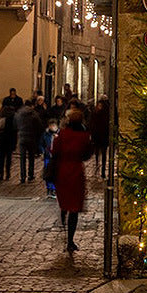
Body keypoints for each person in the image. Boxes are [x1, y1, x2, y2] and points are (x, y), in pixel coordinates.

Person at [52, 107, 92, 251]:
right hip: (76, 172)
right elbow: (87, 154)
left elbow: (54, 150)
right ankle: (70, 240)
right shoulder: (84, 136)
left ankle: (63, 212)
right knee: (74, 207)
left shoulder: (62, 134)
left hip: (62, 172)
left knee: (65, 201)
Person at [14, 99, 43, 183]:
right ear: (31, 106)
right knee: (31, 157)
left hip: (22, 137)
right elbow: (39, 126)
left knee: (22, 158)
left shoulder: (18, 114)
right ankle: (30, 175)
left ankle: (22, 176)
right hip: (31, 137)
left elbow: (15, 125)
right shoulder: (34, 114)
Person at [0, 105, 17, 182]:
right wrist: (14, 143)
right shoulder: (13, 119)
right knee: (8, 158)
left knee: (0, 158)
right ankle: (7, 173)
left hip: (0, 141)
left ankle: (1, 173)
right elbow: (15, 132)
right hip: (9, 141)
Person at [89, 95, 110, 178]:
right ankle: (97, 164)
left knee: (104, 153)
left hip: (103, 136)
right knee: (97, 152)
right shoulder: (94, 114)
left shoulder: (105, 115)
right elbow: (91, 124)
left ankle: (103, 169)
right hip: (96, 136)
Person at [42, 119, 59, 198]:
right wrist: (43, 151)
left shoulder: (60, 134)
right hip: (48, 157)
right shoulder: (46, 134)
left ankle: (54, 189)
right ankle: (49, 189)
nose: (52, 127)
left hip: (56, 157)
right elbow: (41, 144)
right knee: (48, 173)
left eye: (54, 125)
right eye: (51, 126)